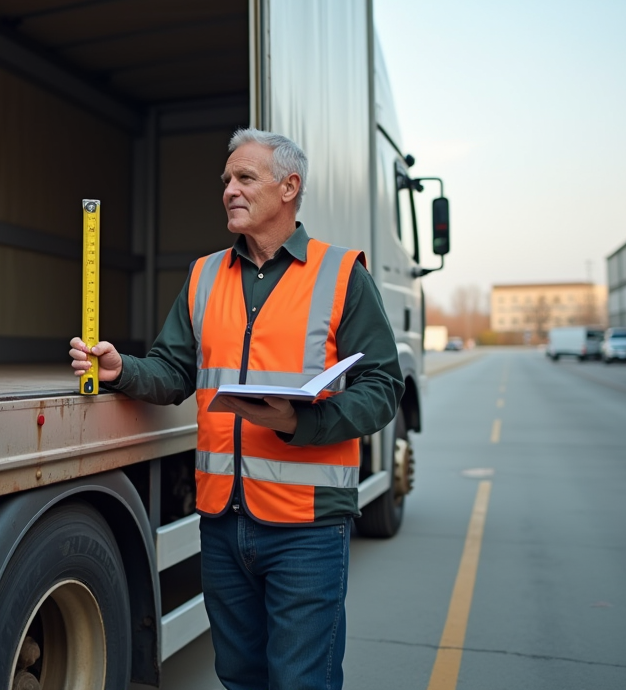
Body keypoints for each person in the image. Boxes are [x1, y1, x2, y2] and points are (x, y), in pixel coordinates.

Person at [70, 128, 403, 689]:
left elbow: (382, 386)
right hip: (223, 523)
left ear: (289, 187)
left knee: (301, 681)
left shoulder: (342, 273)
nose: (229, 189)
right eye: (226, 180)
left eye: (245, 177)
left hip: (307, 526)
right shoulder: (204, 276)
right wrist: (122, 370)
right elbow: (174, 370)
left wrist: (305, 421)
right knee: (240, 678)